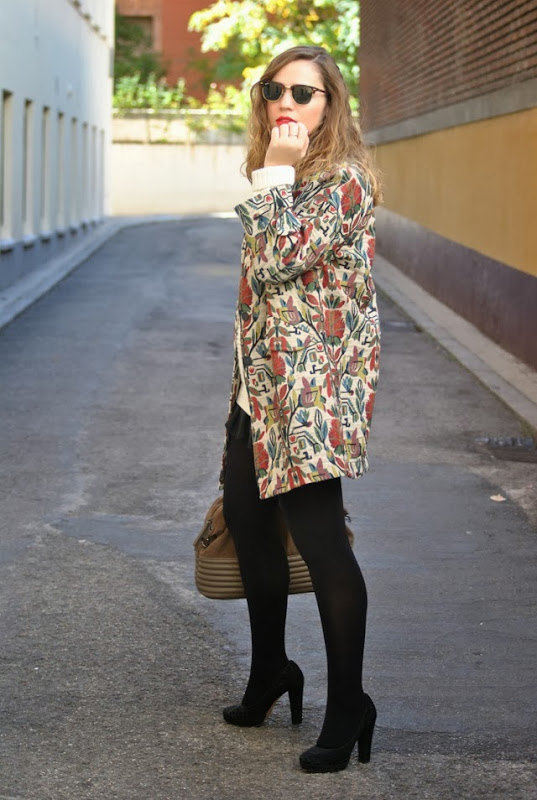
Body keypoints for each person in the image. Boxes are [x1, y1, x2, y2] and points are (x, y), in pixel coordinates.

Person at [219, 44, 381, 774]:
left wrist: (274, 175)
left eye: (303, 92)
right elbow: (261, 284)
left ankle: (349, 704)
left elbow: (280, 257)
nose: (285, 101)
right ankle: (270, 672)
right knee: (251, 529)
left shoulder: (344, 181)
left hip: (311, 396)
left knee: (321, 543)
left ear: (330, 105)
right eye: (274, 89)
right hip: (258, 391)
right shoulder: (282, 175)